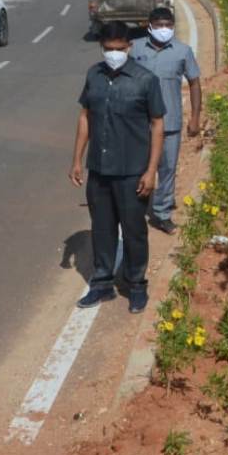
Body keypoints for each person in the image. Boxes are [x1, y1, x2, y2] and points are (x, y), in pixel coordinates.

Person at [70, 21, 166, 313]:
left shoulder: (145, 80)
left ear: (129, 47)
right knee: (102, 229)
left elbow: (157, 124)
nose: (113, 54)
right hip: (99, 170)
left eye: (119, 49)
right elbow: (85, 116)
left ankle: (136, 285)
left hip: (132, 172)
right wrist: (77, 159)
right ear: (102, 48)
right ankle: (101, 284)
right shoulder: (94, 76)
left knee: (134, 230)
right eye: (108, 49)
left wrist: (151, 170)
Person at [130, 6, 203, 233]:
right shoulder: (135, 49)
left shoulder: (183, 51)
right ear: (149, 25)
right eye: (159, 25)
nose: (164, 29)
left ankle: (162, 213)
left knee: (168, 168)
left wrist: (195, 117)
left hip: (170, 122)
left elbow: (194, 83)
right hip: (139, 123)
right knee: (137, 166)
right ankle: (135, 208)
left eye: (168, 25)